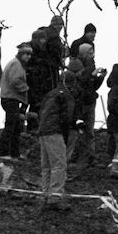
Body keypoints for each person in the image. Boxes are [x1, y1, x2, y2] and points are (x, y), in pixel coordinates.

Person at [37, 70, 78, 207]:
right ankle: (55, 196)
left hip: (43, 131)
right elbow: (66, 118)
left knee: (47, 166)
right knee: (59, 164)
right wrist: (66, 136)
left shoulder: (51, 94)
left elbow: (41, 111)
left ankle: (45, 194)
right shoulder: (66, 97)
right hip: (55, 131)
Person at [67, 40, 105, 168]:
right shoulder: (75, 64)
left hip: (89, 100)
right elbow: (79, 82)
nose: (92, 54)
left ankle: (90, 157)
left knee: (89, 131)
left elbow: (92, 86)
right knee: (78, 131)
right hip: (80, 102)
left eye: (93, 52)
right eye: (89, 52)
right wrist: (91, 76)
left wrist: (100, 78)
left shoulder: (91, 65)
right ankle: (76, 157)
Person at [0, 41, 32, 160]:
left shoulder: (17, 64)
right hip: (10, 98)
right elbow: (15, 81)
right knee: (11, 126)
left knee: (16, 127)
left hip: (11, 97)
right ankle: (2, 153)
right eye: (26, 54)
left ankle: (14, 153)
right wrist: (26, 88)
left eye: (30, 54)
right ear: (21, 54)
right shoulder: (16, 64)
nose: (28, 56)